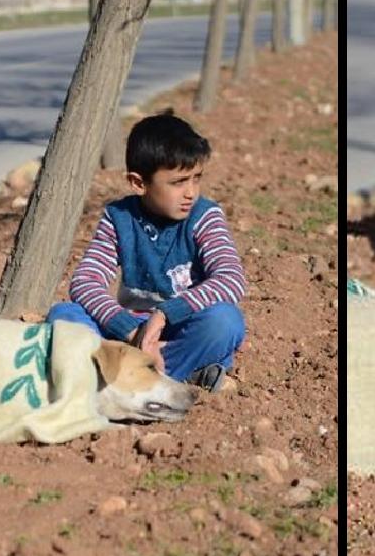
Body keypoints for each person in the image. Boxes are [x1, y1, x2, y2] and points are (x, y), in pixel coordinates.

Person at [48, 112, 247, 392]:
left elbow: (230, 279)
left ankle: (123, 377)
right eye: (178, 182)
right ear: (139, 183)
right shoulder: (119, 218)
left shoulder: (205, 216)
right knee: (64, 315)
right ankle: (176, 374)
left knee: (224, 322)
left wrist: (164, 315)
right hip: (128, 330)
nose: (191, 192)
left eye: (196, 178)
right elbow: (84, 282)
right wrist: (131, 330)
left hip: (180, 329)